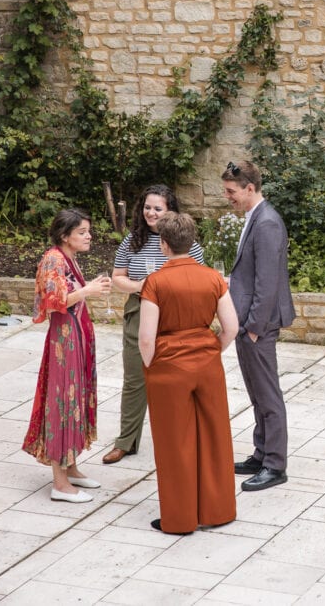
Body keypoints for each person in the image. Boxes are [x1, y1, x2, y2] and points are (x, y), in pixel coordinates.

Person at [138, 212, 238, 534]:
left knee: (174, 443)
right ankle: (218, 511)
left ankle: (179, 519)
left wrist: (151, 364)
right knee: (215, 437)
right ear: (192, 242)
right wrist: (211, 350)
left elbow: (145, 338)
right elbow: (231, 327)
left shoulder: (155, 282)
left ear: (164, 245)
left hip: (169, 368)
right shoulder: (213, 278)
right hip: (207, 365)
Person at [103, 185, 205, 465]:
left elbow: (197, 280)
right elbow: (117, 277)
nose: (151, 212)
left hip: (174, 316)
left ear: (170, 211)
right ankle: (126, 442)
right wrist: (141, 285)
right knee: (135, 379)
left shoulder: (188, 245)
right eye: (148, 207)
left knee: (176, 380)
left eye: (158, 208)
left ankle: (182, 439)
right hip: (139, 310)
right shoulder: (132, 240)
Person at [23, 208, 112, 503]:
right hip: (64, 343)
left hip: (76, 336)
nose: (89, 236)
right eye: (82, 232)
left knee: (76, 397)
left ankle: (71, 466)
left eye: (88, 231)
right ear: (65, 236)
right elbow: (53, 301)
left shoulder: (67, 257)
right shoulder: (53, 259)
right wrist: (88, 290)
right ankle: (59, 484)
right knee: (63, 402)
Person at [221, 160, 296, 492]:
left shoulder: (266, 223)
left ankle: (275, 464)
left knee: (268, 394)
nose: (228, 197)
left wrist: (252, 326)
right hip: (247, 322)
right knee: (256, 392)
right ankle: (261, 452)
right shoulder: (255, 218)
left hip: (257, 325)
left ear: (249, 188)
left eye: (231, 191)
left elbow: (268, 283)